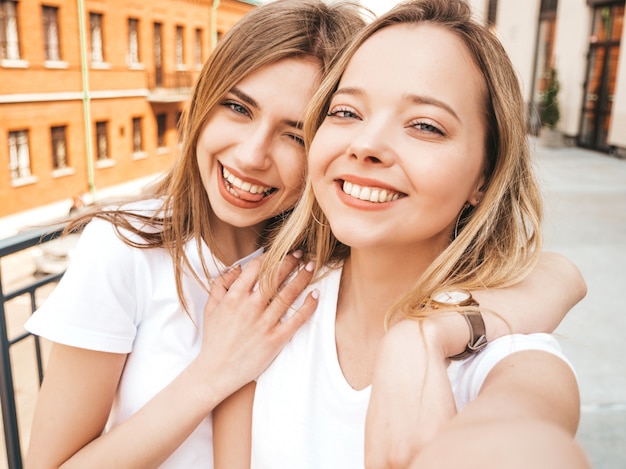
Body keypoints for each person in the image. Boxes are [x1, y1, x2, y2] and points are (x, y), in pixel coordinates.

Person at [212, 0, 589, 468]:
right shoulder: (264, 305)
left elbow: (529, 432)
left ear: (484, 178)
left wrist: (419, 338)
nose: (366, 144)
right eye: (346, 112)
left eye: (425, 126)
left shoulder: (510, 350)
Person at [23, 2, 368, 468]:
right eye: (237, 107)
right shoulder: (125, 248)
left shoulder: (337, 266)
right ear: (204, 102)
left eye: (296, 135)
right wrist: (214, 372)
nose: (251, 156)